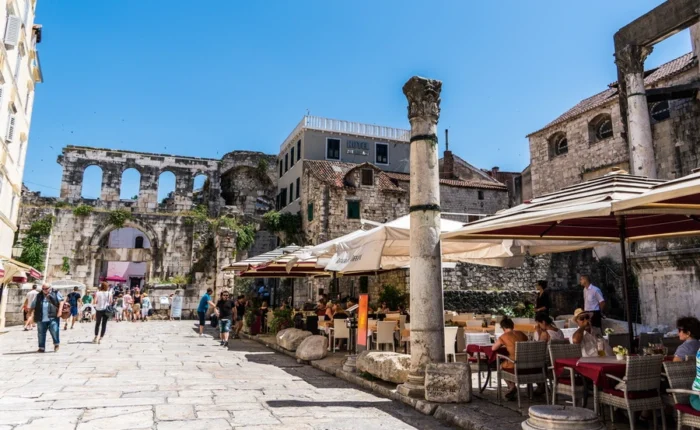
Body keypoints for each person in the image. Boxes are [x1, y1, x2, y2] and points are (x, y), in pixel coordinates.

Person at [491, 317, 528, 400]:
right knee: (508, 363)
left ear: (503, 328)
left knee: (501, 366)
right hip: (527, 363)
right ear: (513, 325)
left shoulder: (503, 337)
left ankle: (511, 386)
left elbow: (493, 348)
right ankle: (513, 387)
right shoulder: (521, 334)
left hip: (515, 364)